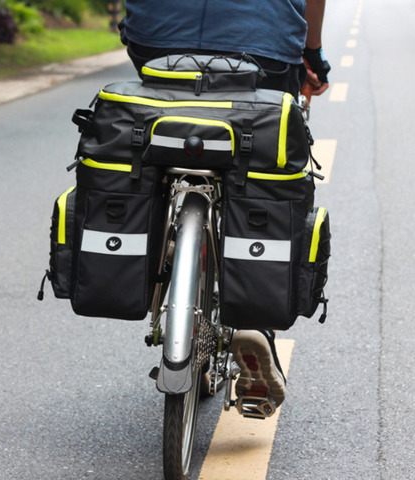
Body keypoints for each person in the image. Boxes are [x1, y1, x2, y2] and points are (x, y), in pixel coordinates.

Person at [119, 0, 331, 409]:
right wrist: (312, 53)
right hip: (262, 42)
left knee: (168, 123)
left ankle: (155, 249)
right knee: (260, 169)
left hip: (156, 35)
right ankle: (256, 323)